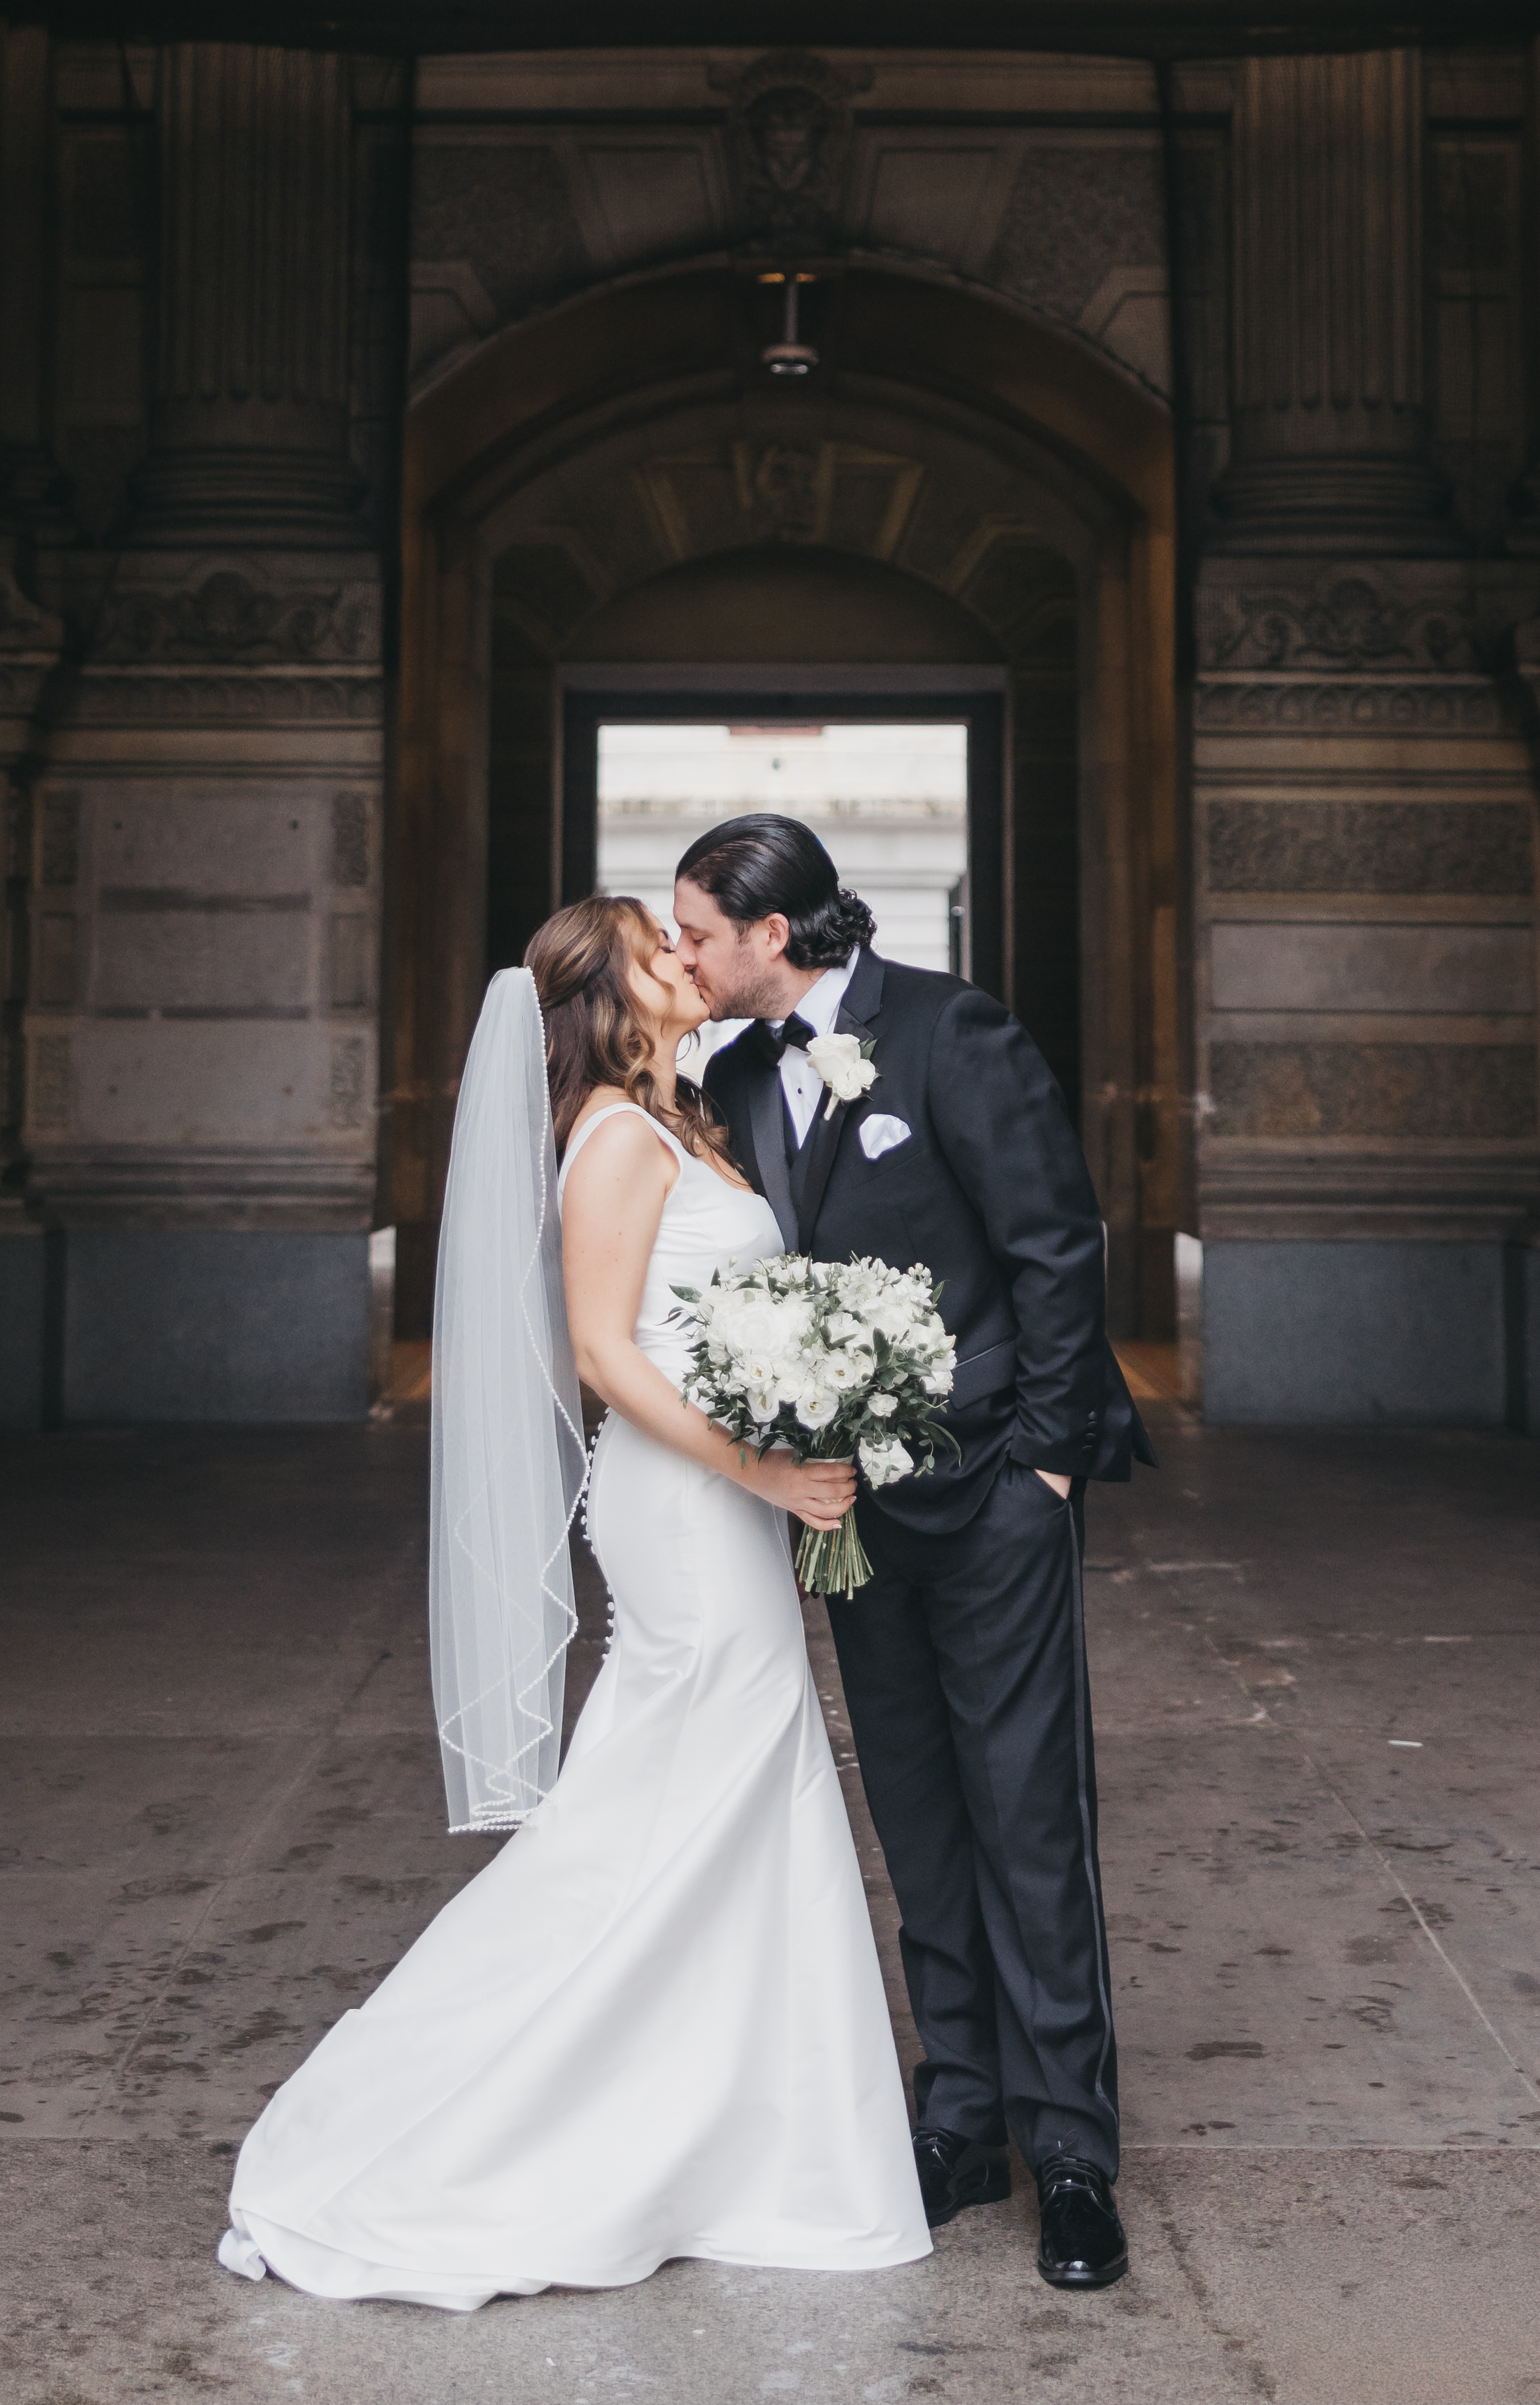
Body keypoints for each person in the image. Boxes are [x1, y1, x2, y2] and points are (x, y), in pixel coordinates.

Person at [216, 891, 930, 2311]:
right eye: (659, 946)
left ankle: (741, 2141)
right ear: (606, 992)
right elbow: (603, 1356)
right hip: (683, 1510)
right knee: (663, 1803)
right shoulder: (609, 1136)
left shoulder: (683, 1119)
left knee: (729, 1793)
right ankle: (431, 2117)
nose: (687, 955)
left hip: (722, 1500)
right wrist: (765, 1469)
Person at [680, 812, 1150, 2297]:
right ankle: (960, 2111)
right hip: (849, 1507)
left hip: (996, 1482)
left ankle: (1071, 2146)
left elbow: (1056, 1245)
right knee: (915, 1806)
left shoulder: (956, 1031)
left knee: (1025, 1808)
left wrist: (1053, 1456)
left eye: (697, 929)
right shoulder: (738, 1072)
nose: (682, 953)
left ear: (774, 933)